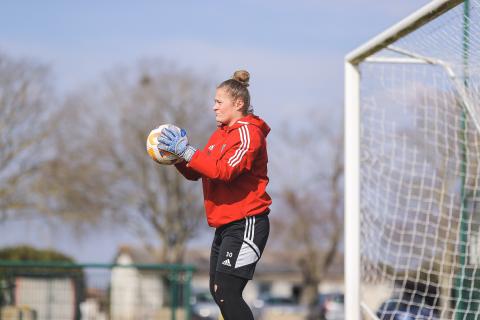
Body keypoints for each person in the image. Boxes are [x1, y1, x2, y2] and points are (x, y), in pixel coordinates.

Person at [157, 70, 271, 320]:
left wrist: (187, 151)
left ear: (238, 103)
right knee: (217, 290)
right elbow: (197, 172)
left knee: (227, 292)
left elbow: (225, 172)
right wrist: (176, 158)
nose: (213, 107)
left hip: (247, 222)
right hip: (226, 225)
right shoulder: (220, 134)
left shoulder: (248, 133)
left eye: (219, 102)